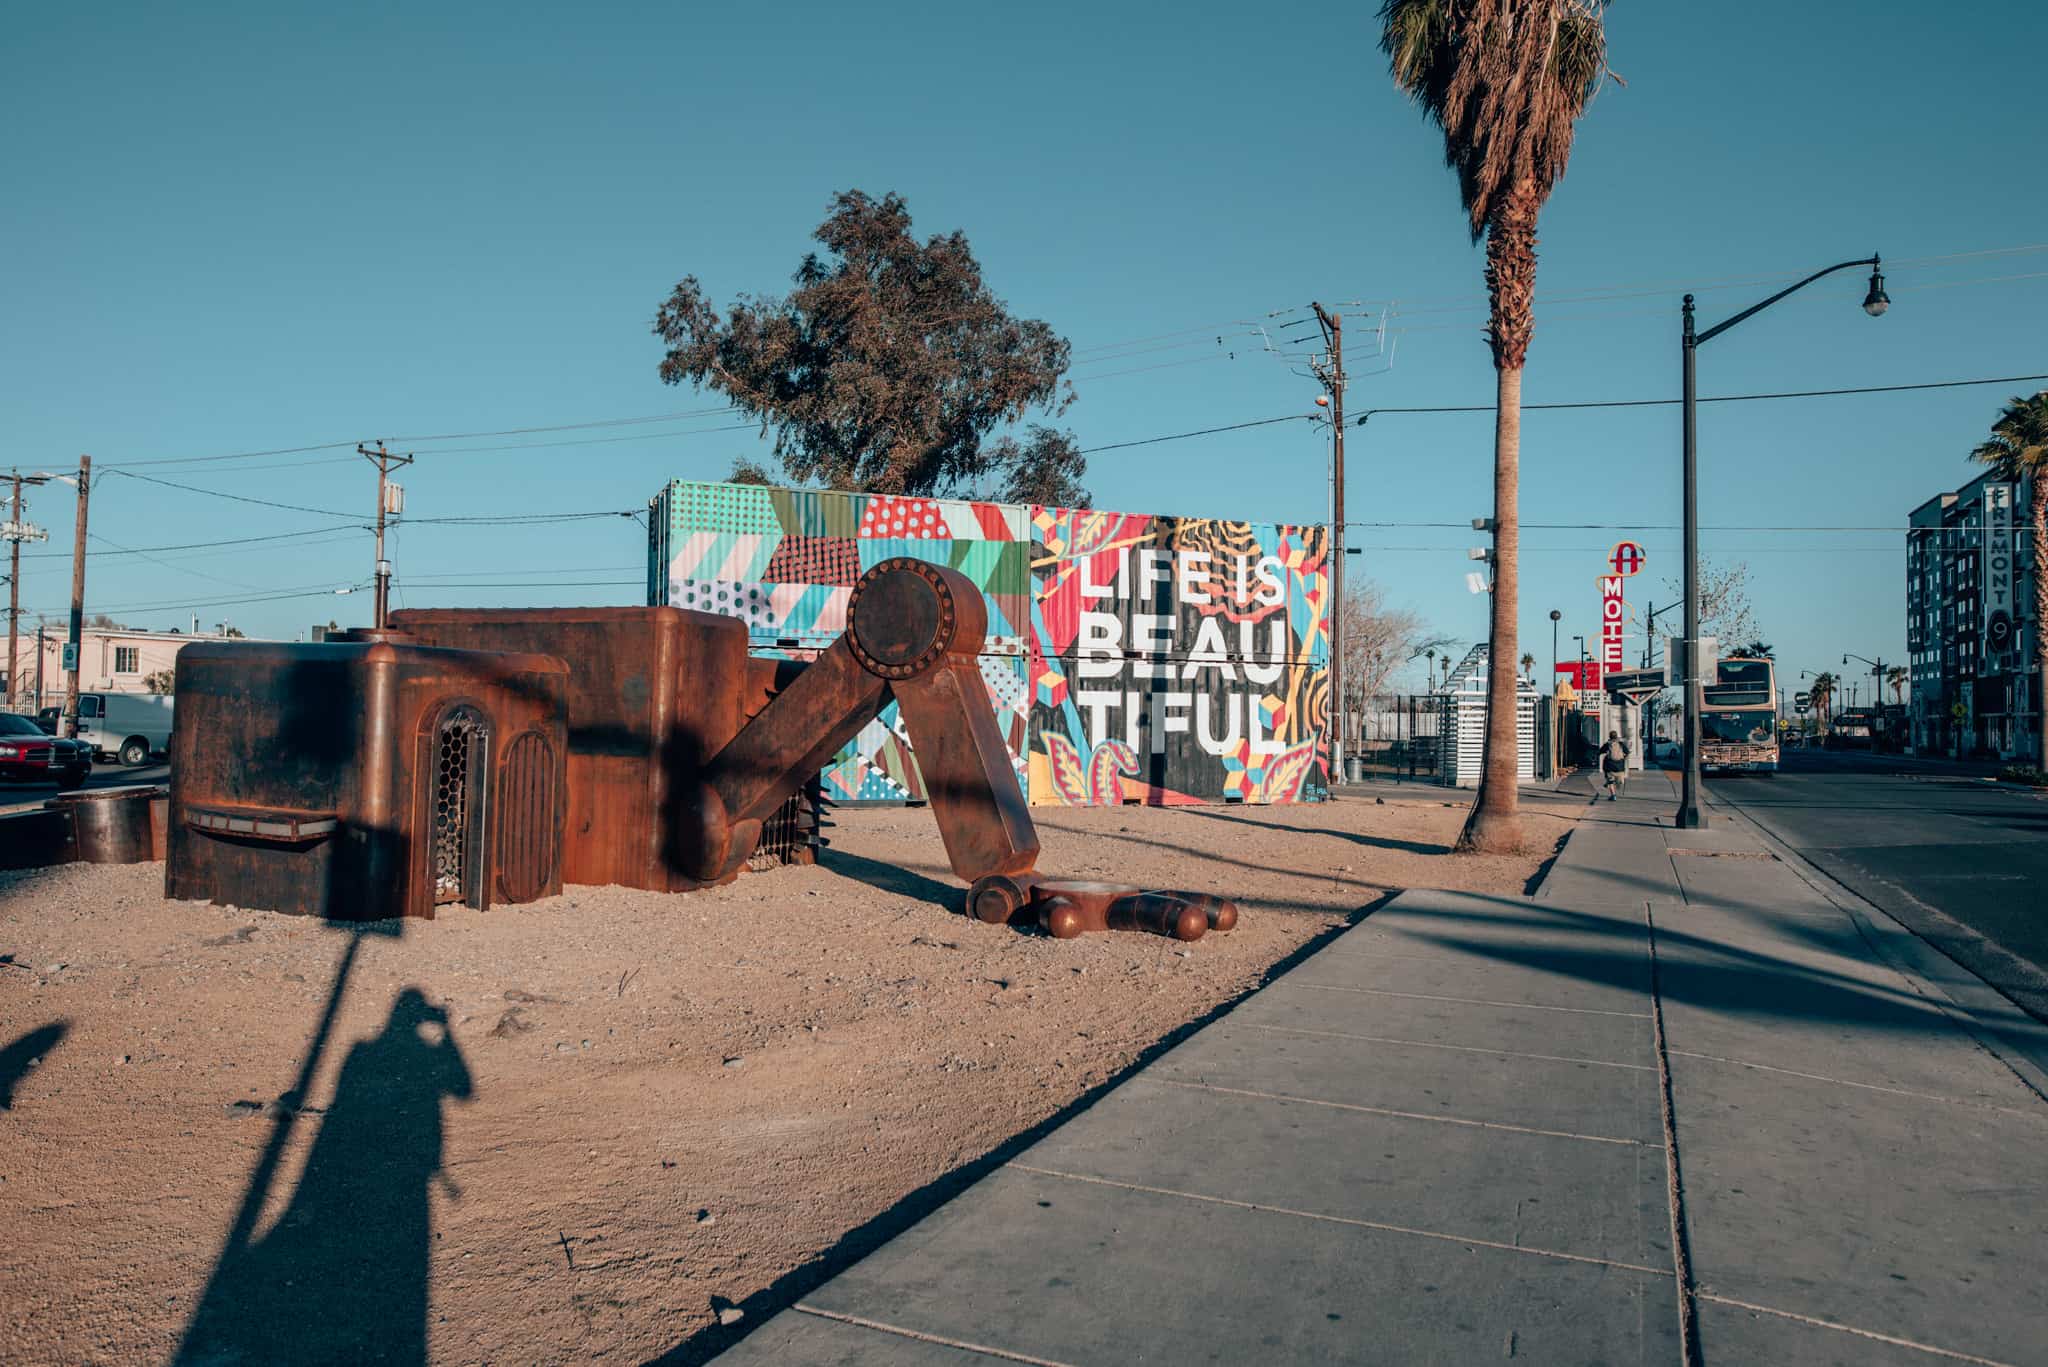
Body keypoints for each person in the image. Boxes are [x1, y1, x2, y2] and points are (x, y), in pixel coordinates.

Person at [1599, 729, 1630, 800]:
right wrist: (1623, 758)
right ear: (1616, 737)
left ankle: (1613, 795)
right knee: (1619, 780)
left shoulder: (1608, 744)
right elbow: (1627, 752)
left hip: (1610, 766)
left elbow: (1600, 751)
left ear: (1610, 737)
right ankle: (1619, 781)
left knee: (1610, 780)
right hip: (1620, 766)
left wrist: (1601, 753)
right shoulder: (1621, 744)